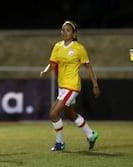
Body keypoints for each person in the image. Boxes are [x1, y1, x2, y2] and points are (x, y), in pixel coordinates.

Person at [40, 20, 100, 151]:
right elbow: (52, 64)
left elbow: (88, 68)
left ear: (73, 33)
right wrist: (45, 72)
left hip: (72, 86)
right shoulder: (57, 47)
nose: (64, 32)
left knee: (53, 113)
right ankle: (91, 134)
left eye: (68, 30)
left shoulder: (79, 48)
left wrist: (95, 85)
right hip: (62, 86)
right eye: (63, 30)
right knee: (70, 114)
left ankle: (60, 143)